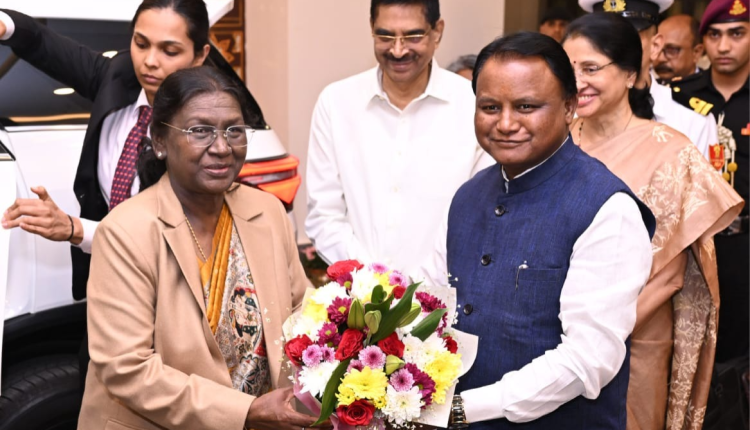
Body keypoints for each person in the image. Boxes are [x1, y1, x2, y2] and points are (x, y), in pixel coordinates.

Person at [78, 66, 325, 430]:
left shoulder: (267, 211)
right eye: (200, 131)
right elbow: (126, 368)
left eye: (234, 130)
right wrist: (246, 412)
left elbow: (303, 309)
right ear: (160, 141)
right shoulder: (126, 232)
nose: (222, 147)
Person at [445, 32, 655, 430]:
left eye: (526, 106)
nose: (506, 123)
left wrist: (462, 409)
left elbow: (587, 360)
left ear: (570, 107)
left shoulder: (607, 207)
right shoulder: (467, 197)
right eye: (490, 107)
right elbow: (439, 304)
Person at [562, 12, 743, 430]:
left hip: (635, 338)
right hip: (554, 340)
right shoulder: (556, 140)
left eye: (591, 68)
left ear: (630, 74)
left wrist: (597, 333)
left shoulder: (671, 151)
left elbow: (671, 275)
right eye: (569, 69)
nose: (577, 81)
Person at [305, 0, 491, 276]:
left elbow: (478, 216)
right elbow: (324, 215)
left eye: (413, 36)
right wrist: (373, 282)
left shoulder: (473, 105)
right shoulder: (336, 103)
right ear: (371, 28)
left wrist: (416, 290)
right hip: (359, 294)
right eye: (385, 36)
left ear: (437, 31)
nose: (398, 50)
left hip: (446, 293)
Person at [669, 0, 749, 373]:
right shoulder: (679, 96)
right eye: (714, 35)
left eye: (737, 34)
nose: (724, 46)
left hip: (745, 242)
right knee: (690, 352)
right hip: (693, 246)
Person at [579, 0, 717, 159]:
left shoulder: (692, 120)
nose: (612, 49)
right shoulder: (574, 114)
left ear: (655, 46)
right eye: (601, 40)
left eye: (627, 38)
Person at [653, 14, 704, 82]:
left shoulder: (713, 86)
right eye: (656, 48)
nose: (660, 59)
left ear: (696, 52)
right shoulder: (647, 86)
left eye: (671, 50)